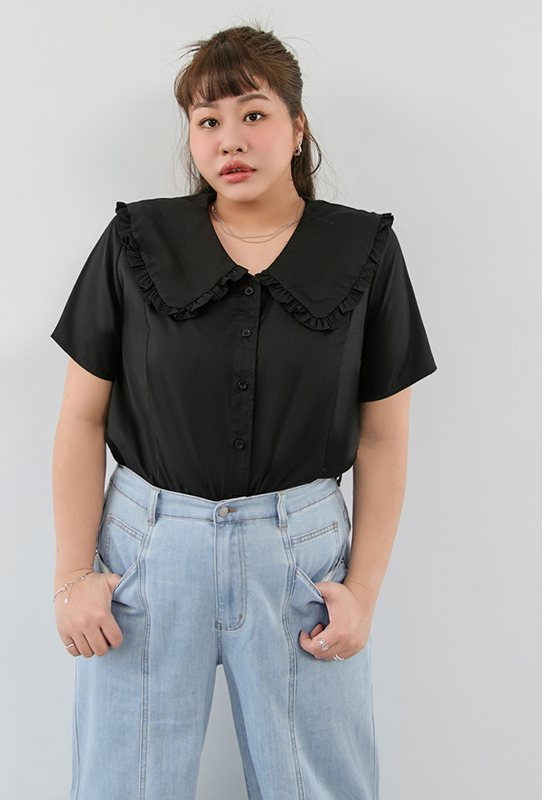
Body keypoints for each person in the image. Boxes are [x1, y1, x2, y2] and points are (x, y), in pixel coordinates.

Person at [51, 23, 437, 800]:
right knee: (123, 786)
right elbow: (81, 419)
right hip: (146, 551)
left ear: (297, 127)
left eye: (253, 114)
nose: (230, 138)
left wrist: (364, 590)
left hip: (301, 555)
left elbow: (384, 438)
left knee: (321, 787)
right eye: (208, 120)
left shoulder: (365, 251)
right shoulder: (134, 242)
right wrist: (72, 576)